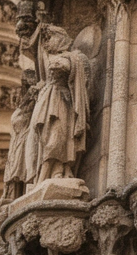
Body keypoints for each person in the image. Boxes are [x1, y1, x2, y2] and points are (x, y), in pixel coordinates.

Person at [26, 25, 90, 183]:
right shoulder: (49, 58)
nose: (47, 43)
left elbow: (80, 77)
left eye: (51, 38)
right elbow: (35, 48)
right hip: (48, 101)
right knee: (46, 137)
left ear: (61, 38)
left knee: (59, 137)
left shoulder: (73, 57)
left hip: (62, 100)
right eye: (46, 40)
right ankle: (50, 173)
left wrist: (63, 66)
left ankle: (59, 170)